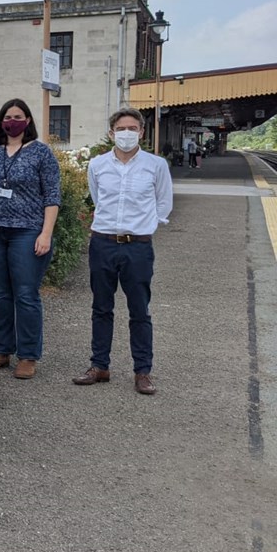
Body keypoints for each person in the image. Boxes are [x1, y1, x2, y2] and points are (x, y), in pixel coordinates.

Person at [72, 108, 172, 395]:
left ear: (142, 132)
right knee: (101, 307)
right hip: (102, 243)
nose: (126, 133)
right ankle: (99, 366)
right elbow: (96, 197)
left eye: (132, 128)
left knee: (139, 309)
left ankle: (143, 371)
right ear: (111, 133)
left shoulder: (156, 165)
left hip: (137, 247)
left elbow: (163, 203)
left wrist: (147, 226)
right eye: (121, 128)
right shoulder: (97, 165)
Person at [0, 98, 61, 380]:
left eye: (18, 116)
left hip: (28, 230)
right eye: (7, 117)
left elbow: (52, 196)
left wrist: (46, 232)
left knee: (26, 294)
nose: (12, 121)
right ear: (0, 121)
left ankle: (28, 355)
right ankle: (0, 350)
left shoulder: (42, 153)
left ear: (28, 121)